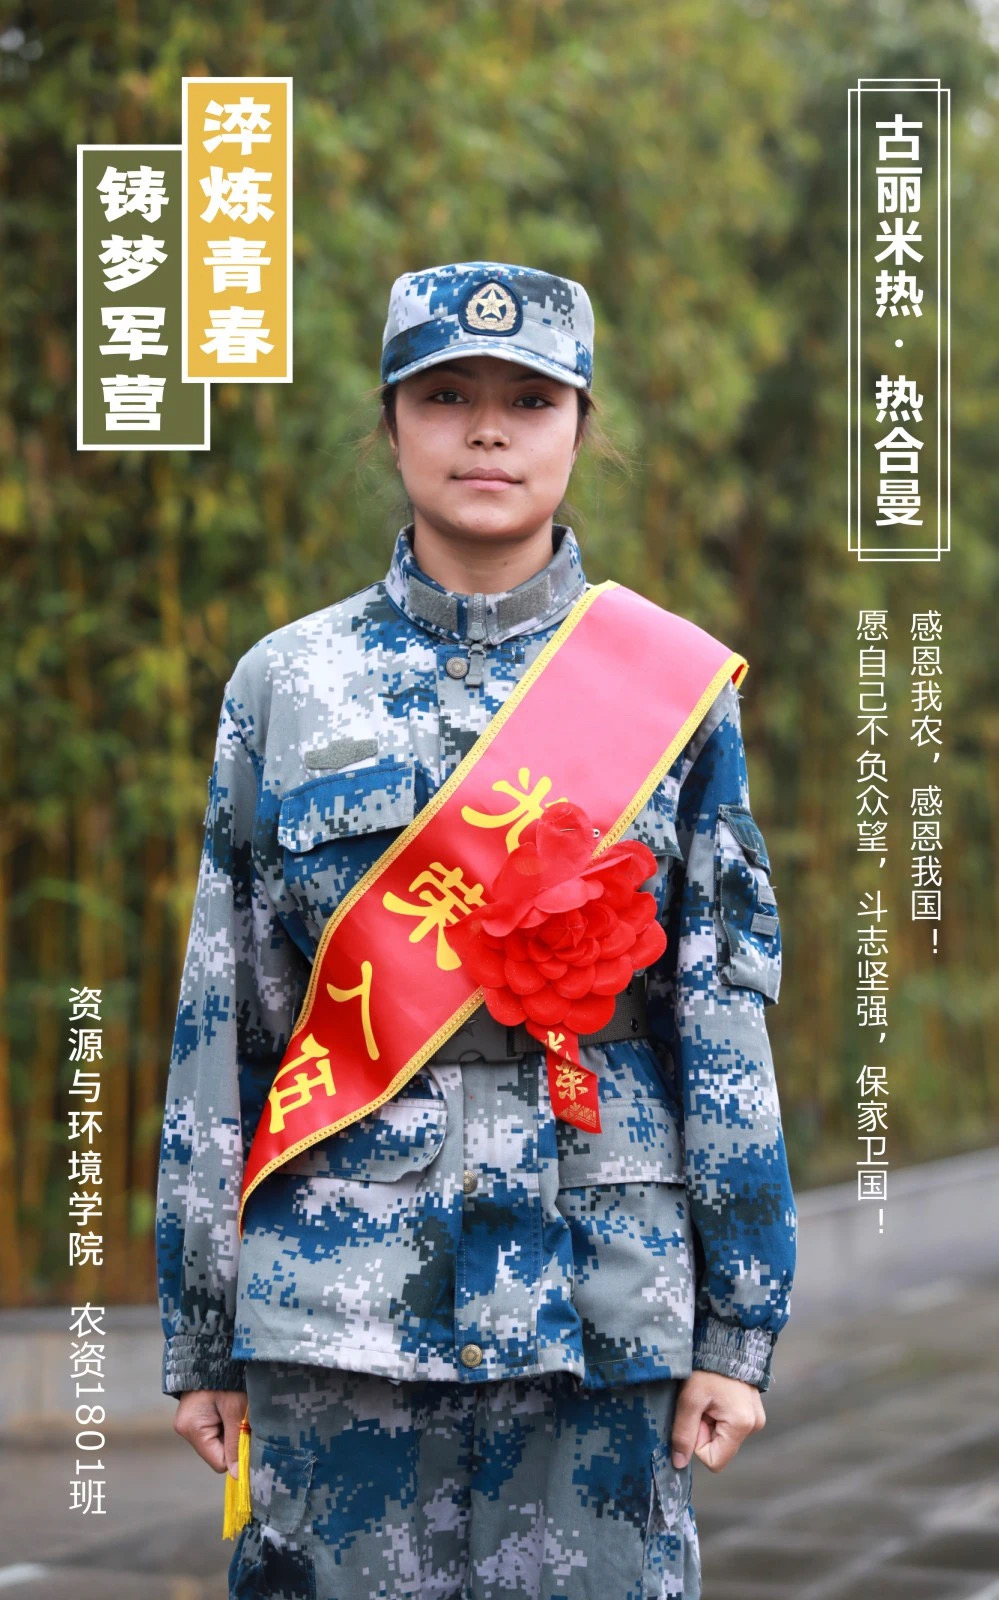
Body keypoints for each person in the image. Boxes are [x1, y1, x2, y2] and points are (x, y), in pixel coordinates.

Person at [156, 259, 797, 1600]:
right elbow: (229, 1019)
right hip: (341, 1306)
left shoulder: (672, 689)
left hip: (598, 1301)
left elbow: (719, 1016)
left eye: (529, 400)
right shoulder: (286, 686)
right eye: (446, 397)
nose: (487, 432)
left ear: (580, 425)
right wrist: (202, 1330)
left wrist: (739, 1326)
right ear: (391, 424)